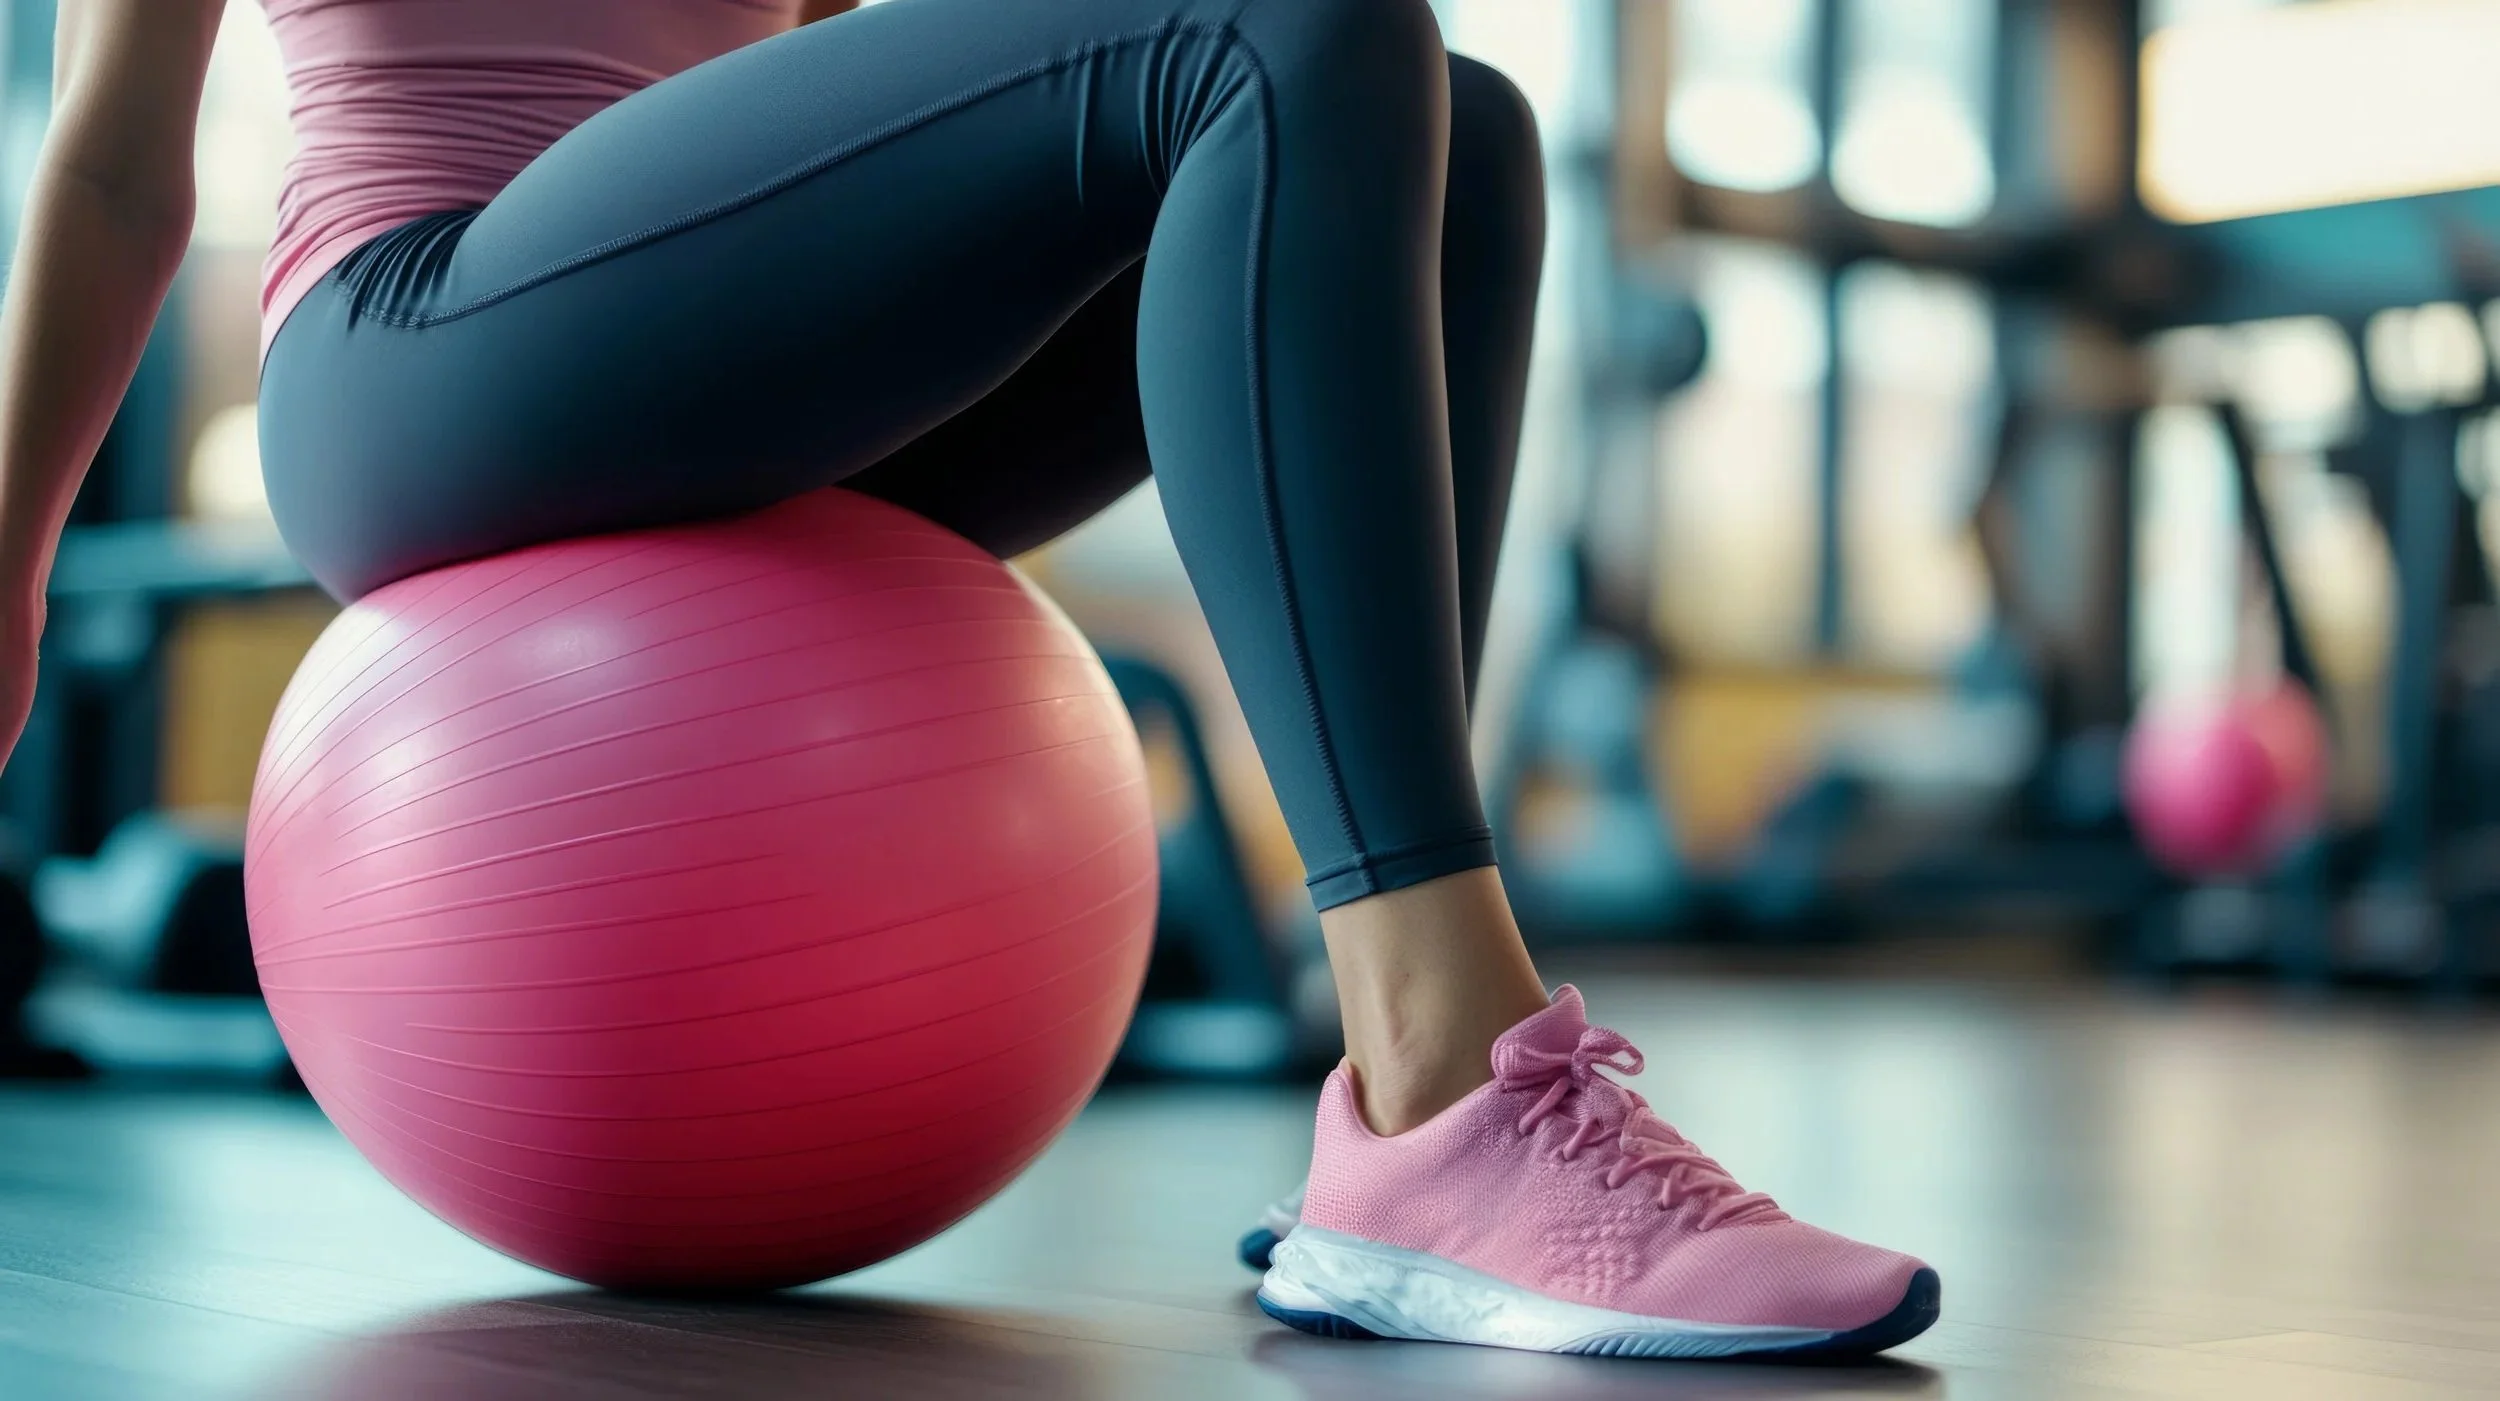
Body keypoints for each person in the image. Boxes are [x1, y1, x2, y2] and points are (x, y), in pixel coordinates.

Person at [0, 0, 1934, 1357]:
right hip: (420, 357)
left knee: (1457, 124)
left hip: (737, 369)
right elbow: (105, 169)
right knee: (1290, 29)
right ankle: (1450, 1079)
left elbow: (857, 107)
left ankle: (1399, 1118)